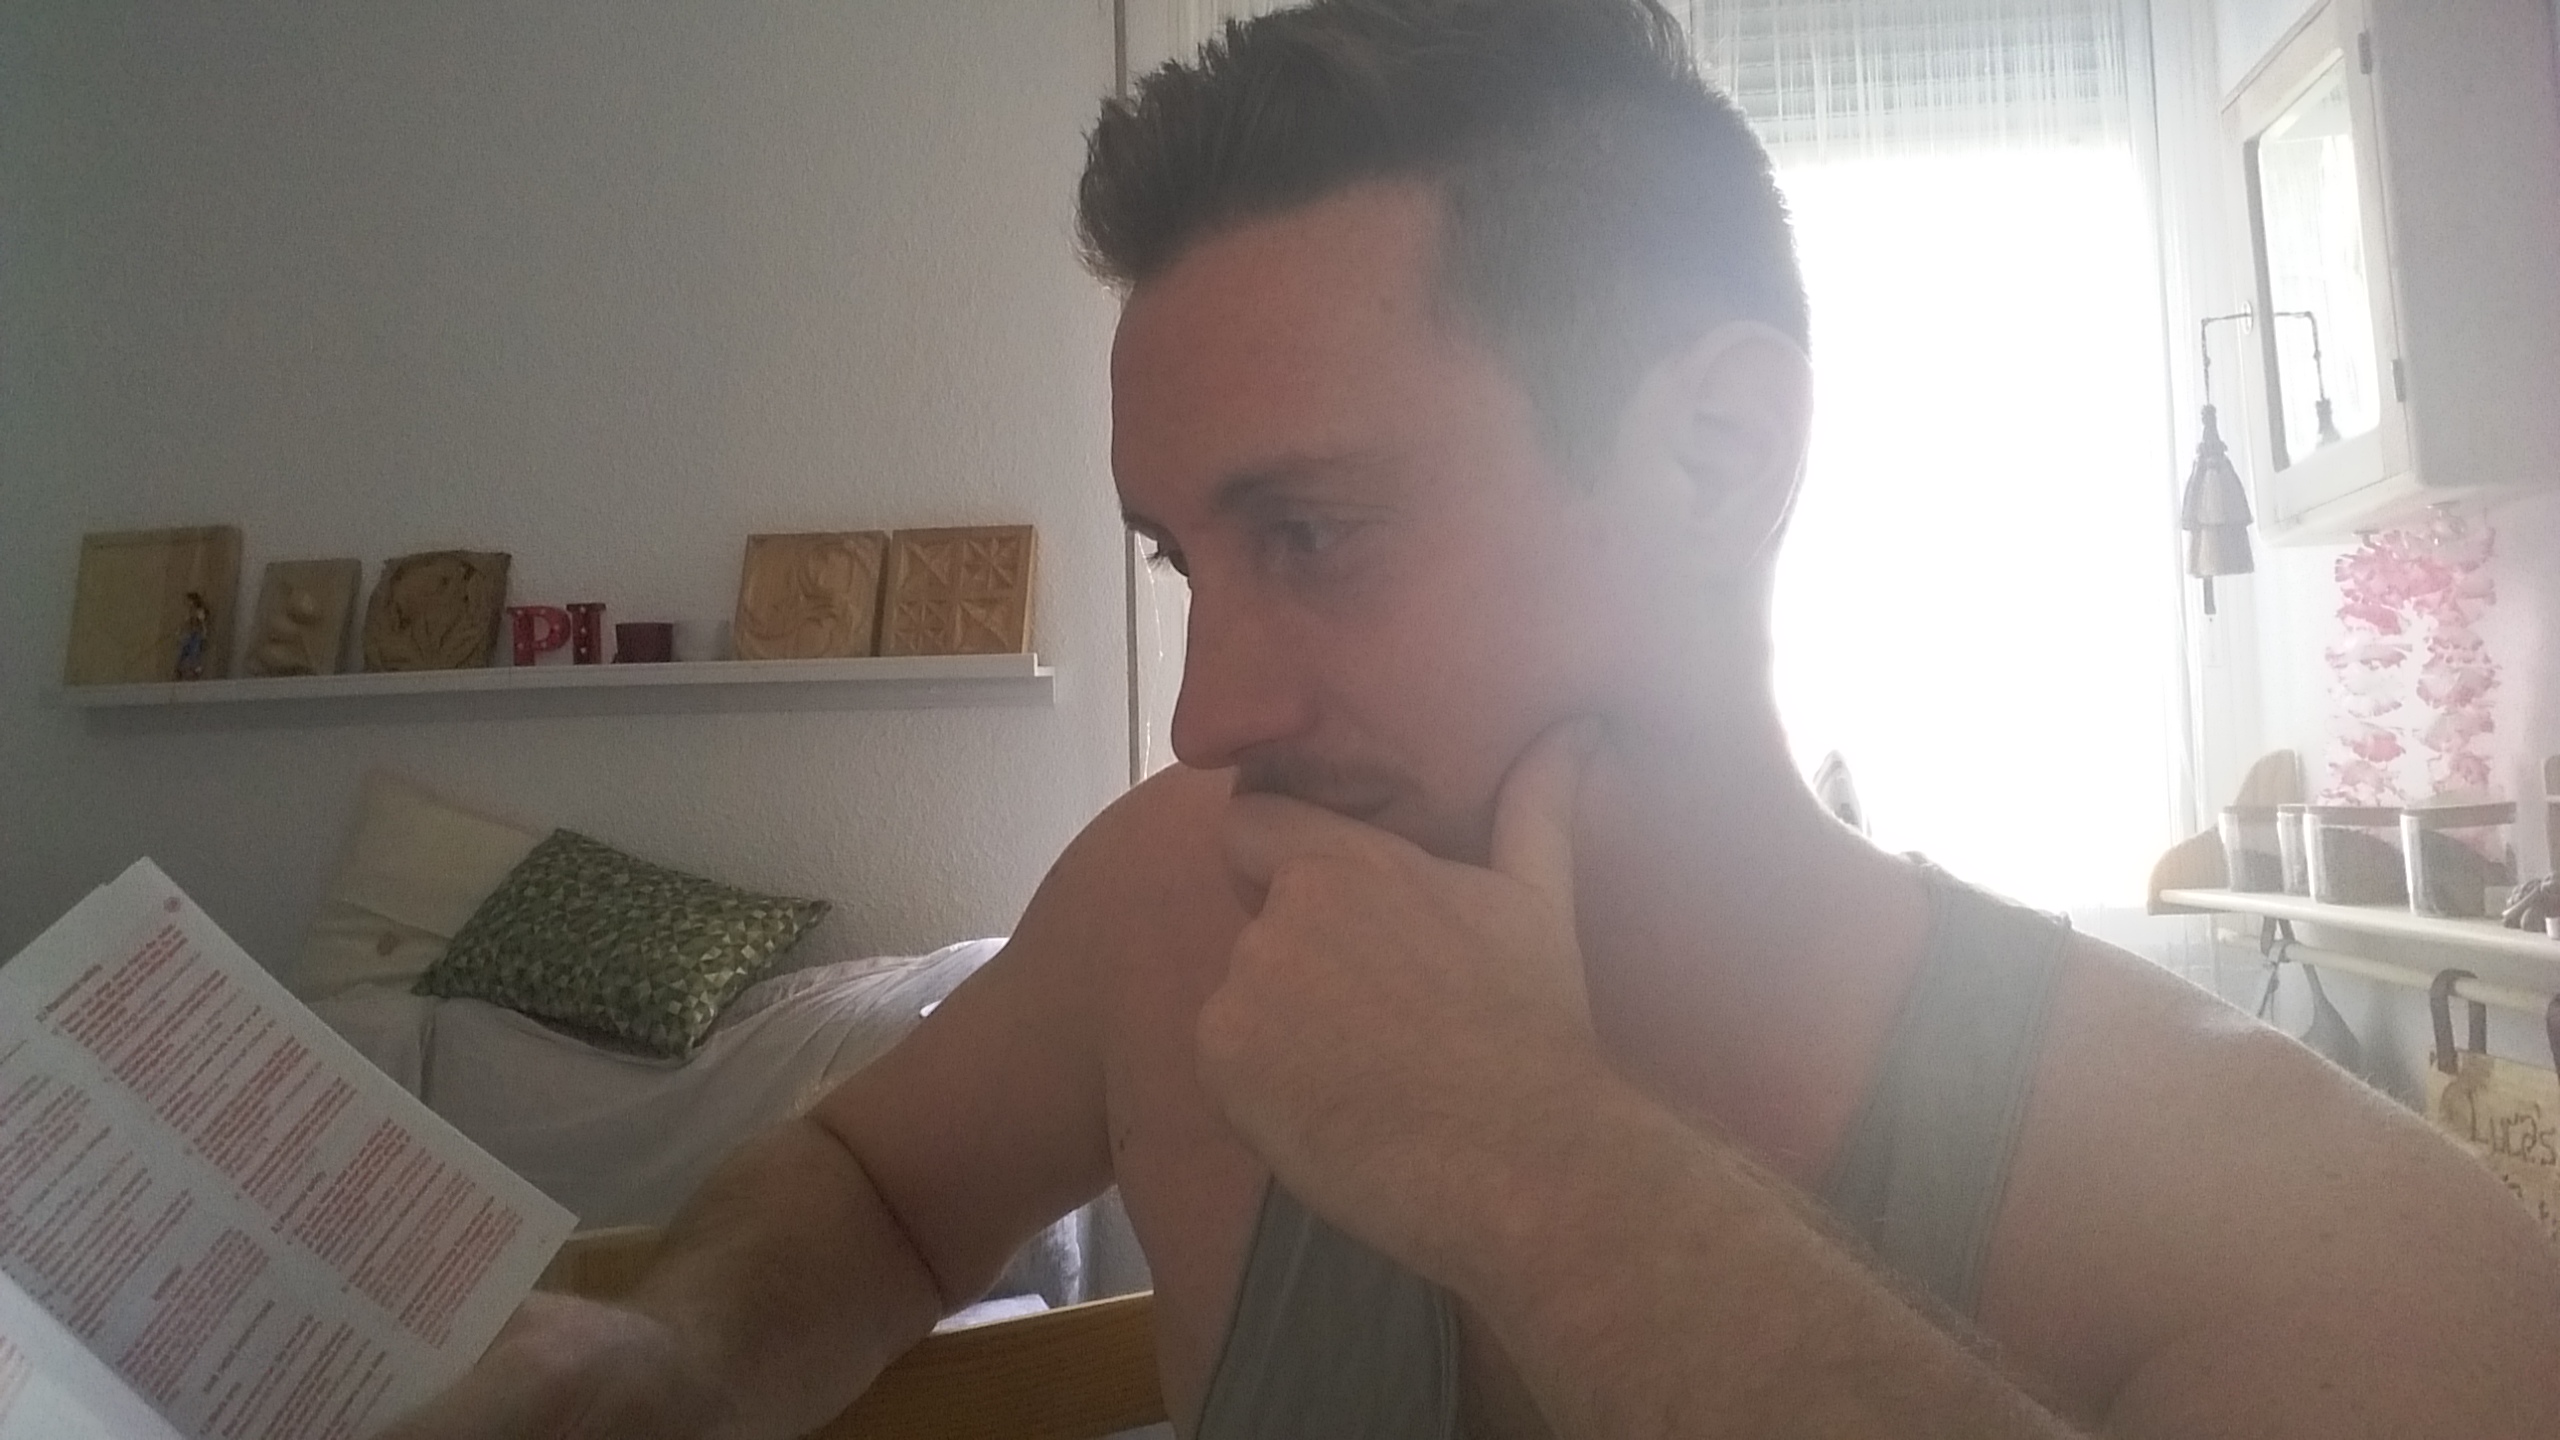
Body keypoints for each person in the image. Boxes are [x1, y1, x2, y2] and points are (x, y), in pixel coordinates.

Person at [381, 2, 2560, 1437]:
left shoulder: (2320, 1242)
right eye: (1185, 559)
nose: (1206, 716)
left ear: (1714, 458)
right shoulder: (1176, 910)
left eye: (1313, 534)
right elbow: (873, 1185)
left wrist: (1535, 1158)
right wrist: (674, 1355)